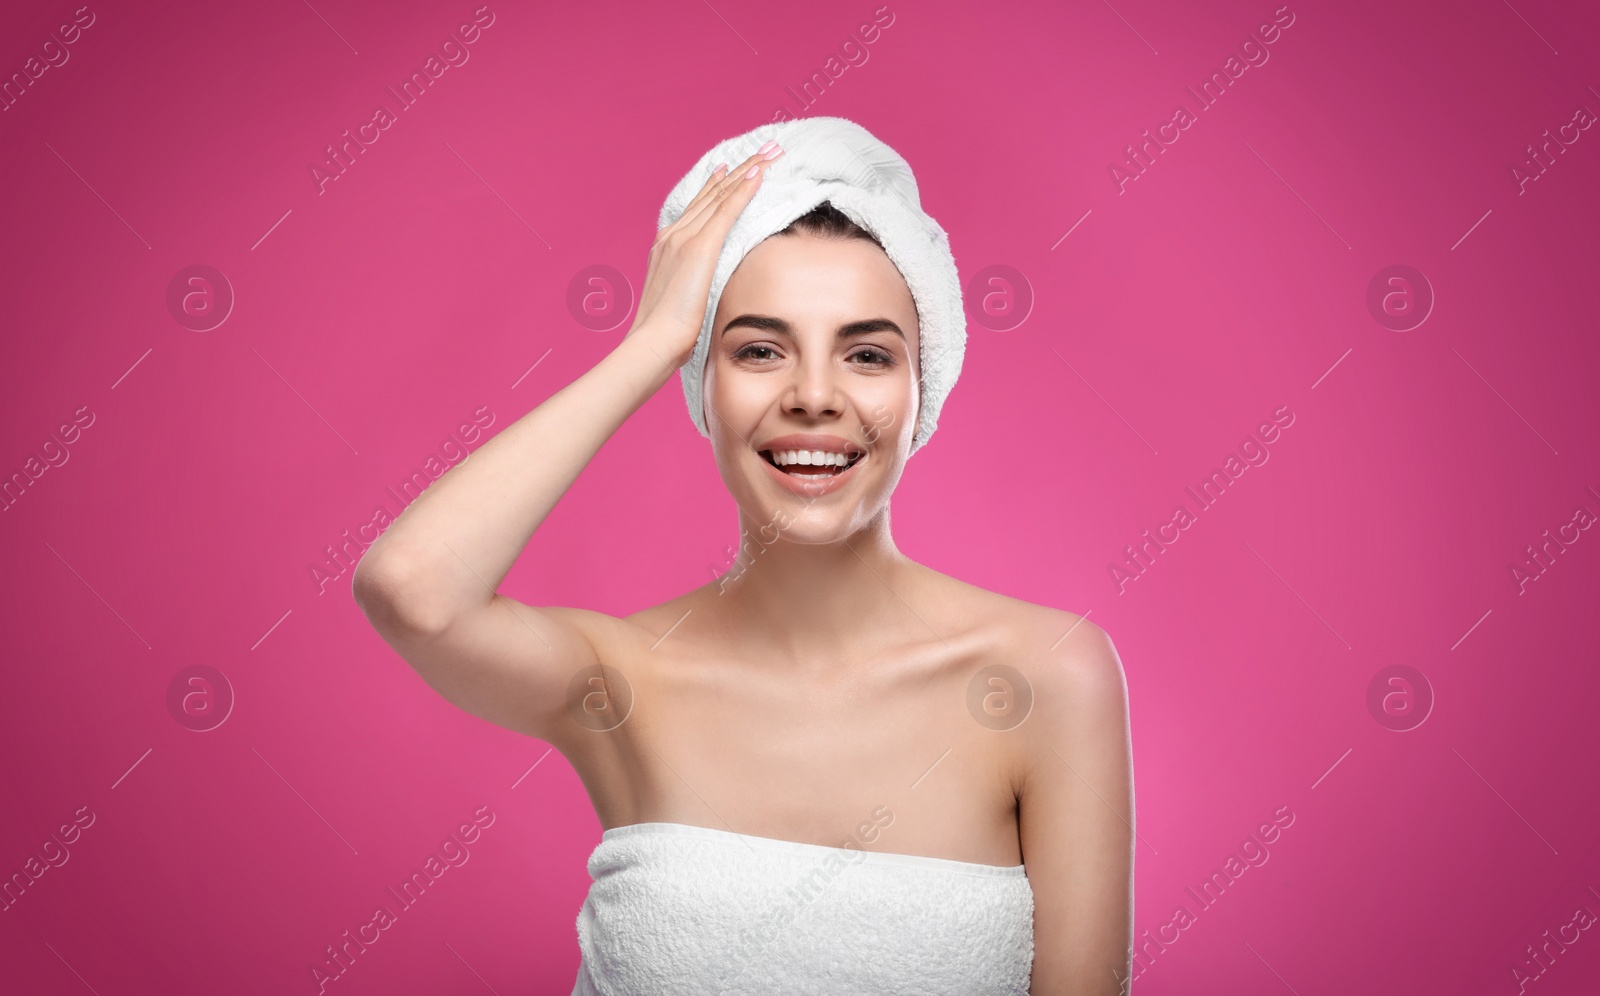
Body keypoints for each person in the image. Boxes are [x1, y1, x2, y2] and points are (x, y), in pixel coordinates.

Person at [352, 117, 1134, 995]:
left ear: (926, 387)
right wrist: (649, 344)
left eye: (867, 354)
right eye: (758, 350)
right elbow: (413, 589)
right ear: (703, 384)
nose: (811, 396)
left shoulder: (1048, 678)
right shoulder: (620, 681)